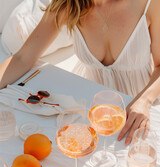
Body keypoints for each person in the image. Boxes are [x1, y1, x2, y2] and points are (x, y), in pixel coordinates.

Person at [0, 0, 160, 145]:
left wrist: (143, 102)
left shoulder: (148, 4)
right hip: (92, 110)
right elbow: (22, 58)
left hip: (142, 105)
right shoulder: (68, 5)